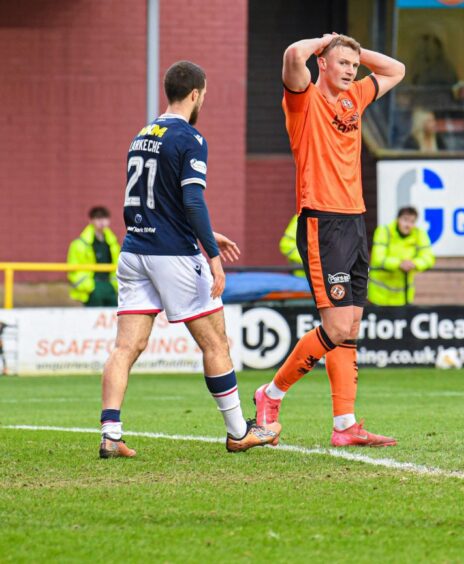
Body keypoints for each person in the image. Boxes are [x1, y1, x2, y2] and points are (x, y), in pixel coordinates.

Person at [99, 61, 279, 458]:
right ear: (196, 94)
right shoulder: (190, 138)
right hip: (172, 256)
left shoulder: (141, 135)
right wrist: (212, 255)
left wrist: (205, 234)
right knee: (216, 341)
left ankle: (111, 434)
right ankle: (239, 432)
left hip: (134, 251)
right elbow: (192, 199)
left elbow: (154, 199)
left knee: (125, 347)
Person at [254, 33, 405, 447]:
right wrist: (324, 42)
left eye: (353, 66)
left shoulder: (354, 96)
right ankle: (270, 395)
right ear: (322, 63)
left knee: (351, 326)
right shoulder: (303, 98)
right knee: (336, 326)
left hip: (355, 220)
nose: (350, 71)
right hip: (323, 220)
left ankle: (345, 425)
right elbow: (291, 54)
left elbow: (396, 69)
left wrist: (352, 50)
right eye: (341, 64)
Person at [368, 207, 435, 306]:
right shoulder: (384, 231)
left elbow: (428, 258)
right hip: (379, 295)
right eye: (405, 220)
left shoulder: (419, 233)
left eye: (412, 221)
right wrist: (399, 264)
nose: (408, 225)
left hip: (403, 296)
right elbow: (378, 258)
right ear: (398, 219)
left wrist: (414, 263)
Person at [67, 207, 121, 307]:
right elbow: (73, 269)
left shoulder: (113, 243)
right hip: (93, 287)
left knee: (113, 319)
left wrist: (115, 286)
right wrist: (89, 287)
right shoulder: (79, 244)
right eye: (98, 218)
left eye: (104, 218)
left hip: (110, 286)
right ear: (91, 220)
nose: (101, 222)